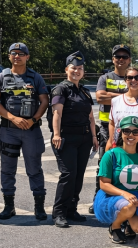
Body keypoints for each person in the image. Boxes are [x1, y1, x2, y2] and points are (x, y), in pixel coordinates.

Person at [0, 42, 50, 221]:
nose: (17, 56)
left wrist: (33, 119)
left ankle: (39, 207)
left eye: (21, 53)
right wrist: (12, 117)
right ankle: (9, 206)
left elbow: (44, 101)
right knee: (7, 169)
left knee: (35, 169)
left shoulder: (35, 77)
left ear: (27, 57)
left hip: (31, 130)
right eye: (13, 53)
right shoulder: (1, 77)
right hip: (9, 130)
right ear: (9, 56)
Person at [49, 51, 99, 228]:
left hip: (84, 138)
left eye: (80, 68)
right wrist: (56, 134)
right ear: (66, 69)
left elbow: (91, 117)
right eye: (73, 68)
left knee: (78, 176)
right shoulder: (60, 89)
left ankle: (72, 209)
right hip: (66, 138)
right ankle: (59, 212)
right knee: (68, 175)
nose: (77, 71)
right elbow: (57, 113)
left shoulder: (84, 92)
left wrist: (94, 137)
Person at [94, 117, 138, 244]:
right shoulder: (111, 155)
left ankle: (128, 222)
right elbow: (103, 184)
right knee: (129, 206)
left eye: (135, 132)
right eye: (126, 131)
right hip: (113, 197)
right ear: (121, 133)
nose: (131, 135)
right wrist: (124, 194)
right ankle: (115, 227)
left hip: (136, 197)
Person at [92, 44, 132, 214]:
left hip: (130, 130)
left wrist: (112, 96)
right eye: (117, 57)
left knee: (127, 165)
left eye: (124, 57)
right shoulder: (105, 77)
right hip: (106, 128)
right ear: (113, 59)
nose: (121, 59)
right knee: (104, 164)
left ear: (129, 60)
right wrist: (126, 96)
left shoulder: (133, 76)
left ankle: (126, 199)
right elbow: (100, 97)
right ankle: (98, 199)